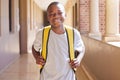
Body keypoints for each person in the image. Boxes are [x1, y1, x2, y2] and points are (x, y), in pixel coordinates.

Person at [32, 1, 85, 80]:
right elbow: (34, 48)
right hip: (46, 77)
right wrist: (37, 57)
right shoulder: (42, 33)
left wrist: (78, 59)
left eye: (59, 13)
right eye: (51, 14)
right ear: (48, 17)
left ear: (65, 15)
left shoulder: (74, 33)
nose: (56, 16)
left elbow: (82, 49)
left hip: (68, 77)